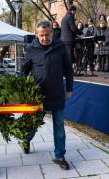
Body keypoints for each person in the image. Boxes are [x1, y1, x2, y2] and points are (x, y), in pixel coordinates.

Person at [21, 20, 74, 170]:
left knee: (59, 126)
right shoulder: (31, 49)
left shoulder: (60, 46)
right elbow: (24, 70)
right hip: (38, 95)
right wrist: (22, 89)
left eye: (47, 34)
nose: (45, 38)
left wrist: (69, 87)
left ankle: (60, 156)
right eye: (41, 35)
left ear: (52, 32)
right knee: (34, 124)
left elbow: (68, 69)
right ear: (37, 34)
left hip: (57, 93)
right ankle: (26, 140)